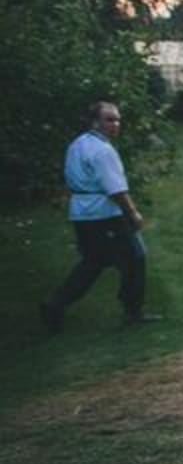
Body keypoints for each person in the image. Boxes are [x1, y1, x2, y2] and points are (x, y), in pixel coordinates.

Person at [40, 101, 161, 331]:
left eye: (117, 119)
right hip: (104, 214)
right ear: (95, 122)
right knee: (135, 257)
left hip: (82, 213)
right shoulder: (103, 150)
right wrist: (132, 213)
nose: (115, 124)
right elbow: (115, 189)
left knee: (92, 263)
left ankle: (55, 305)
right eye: (109, 119)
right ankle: (132, 311)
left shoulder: (77, 144)